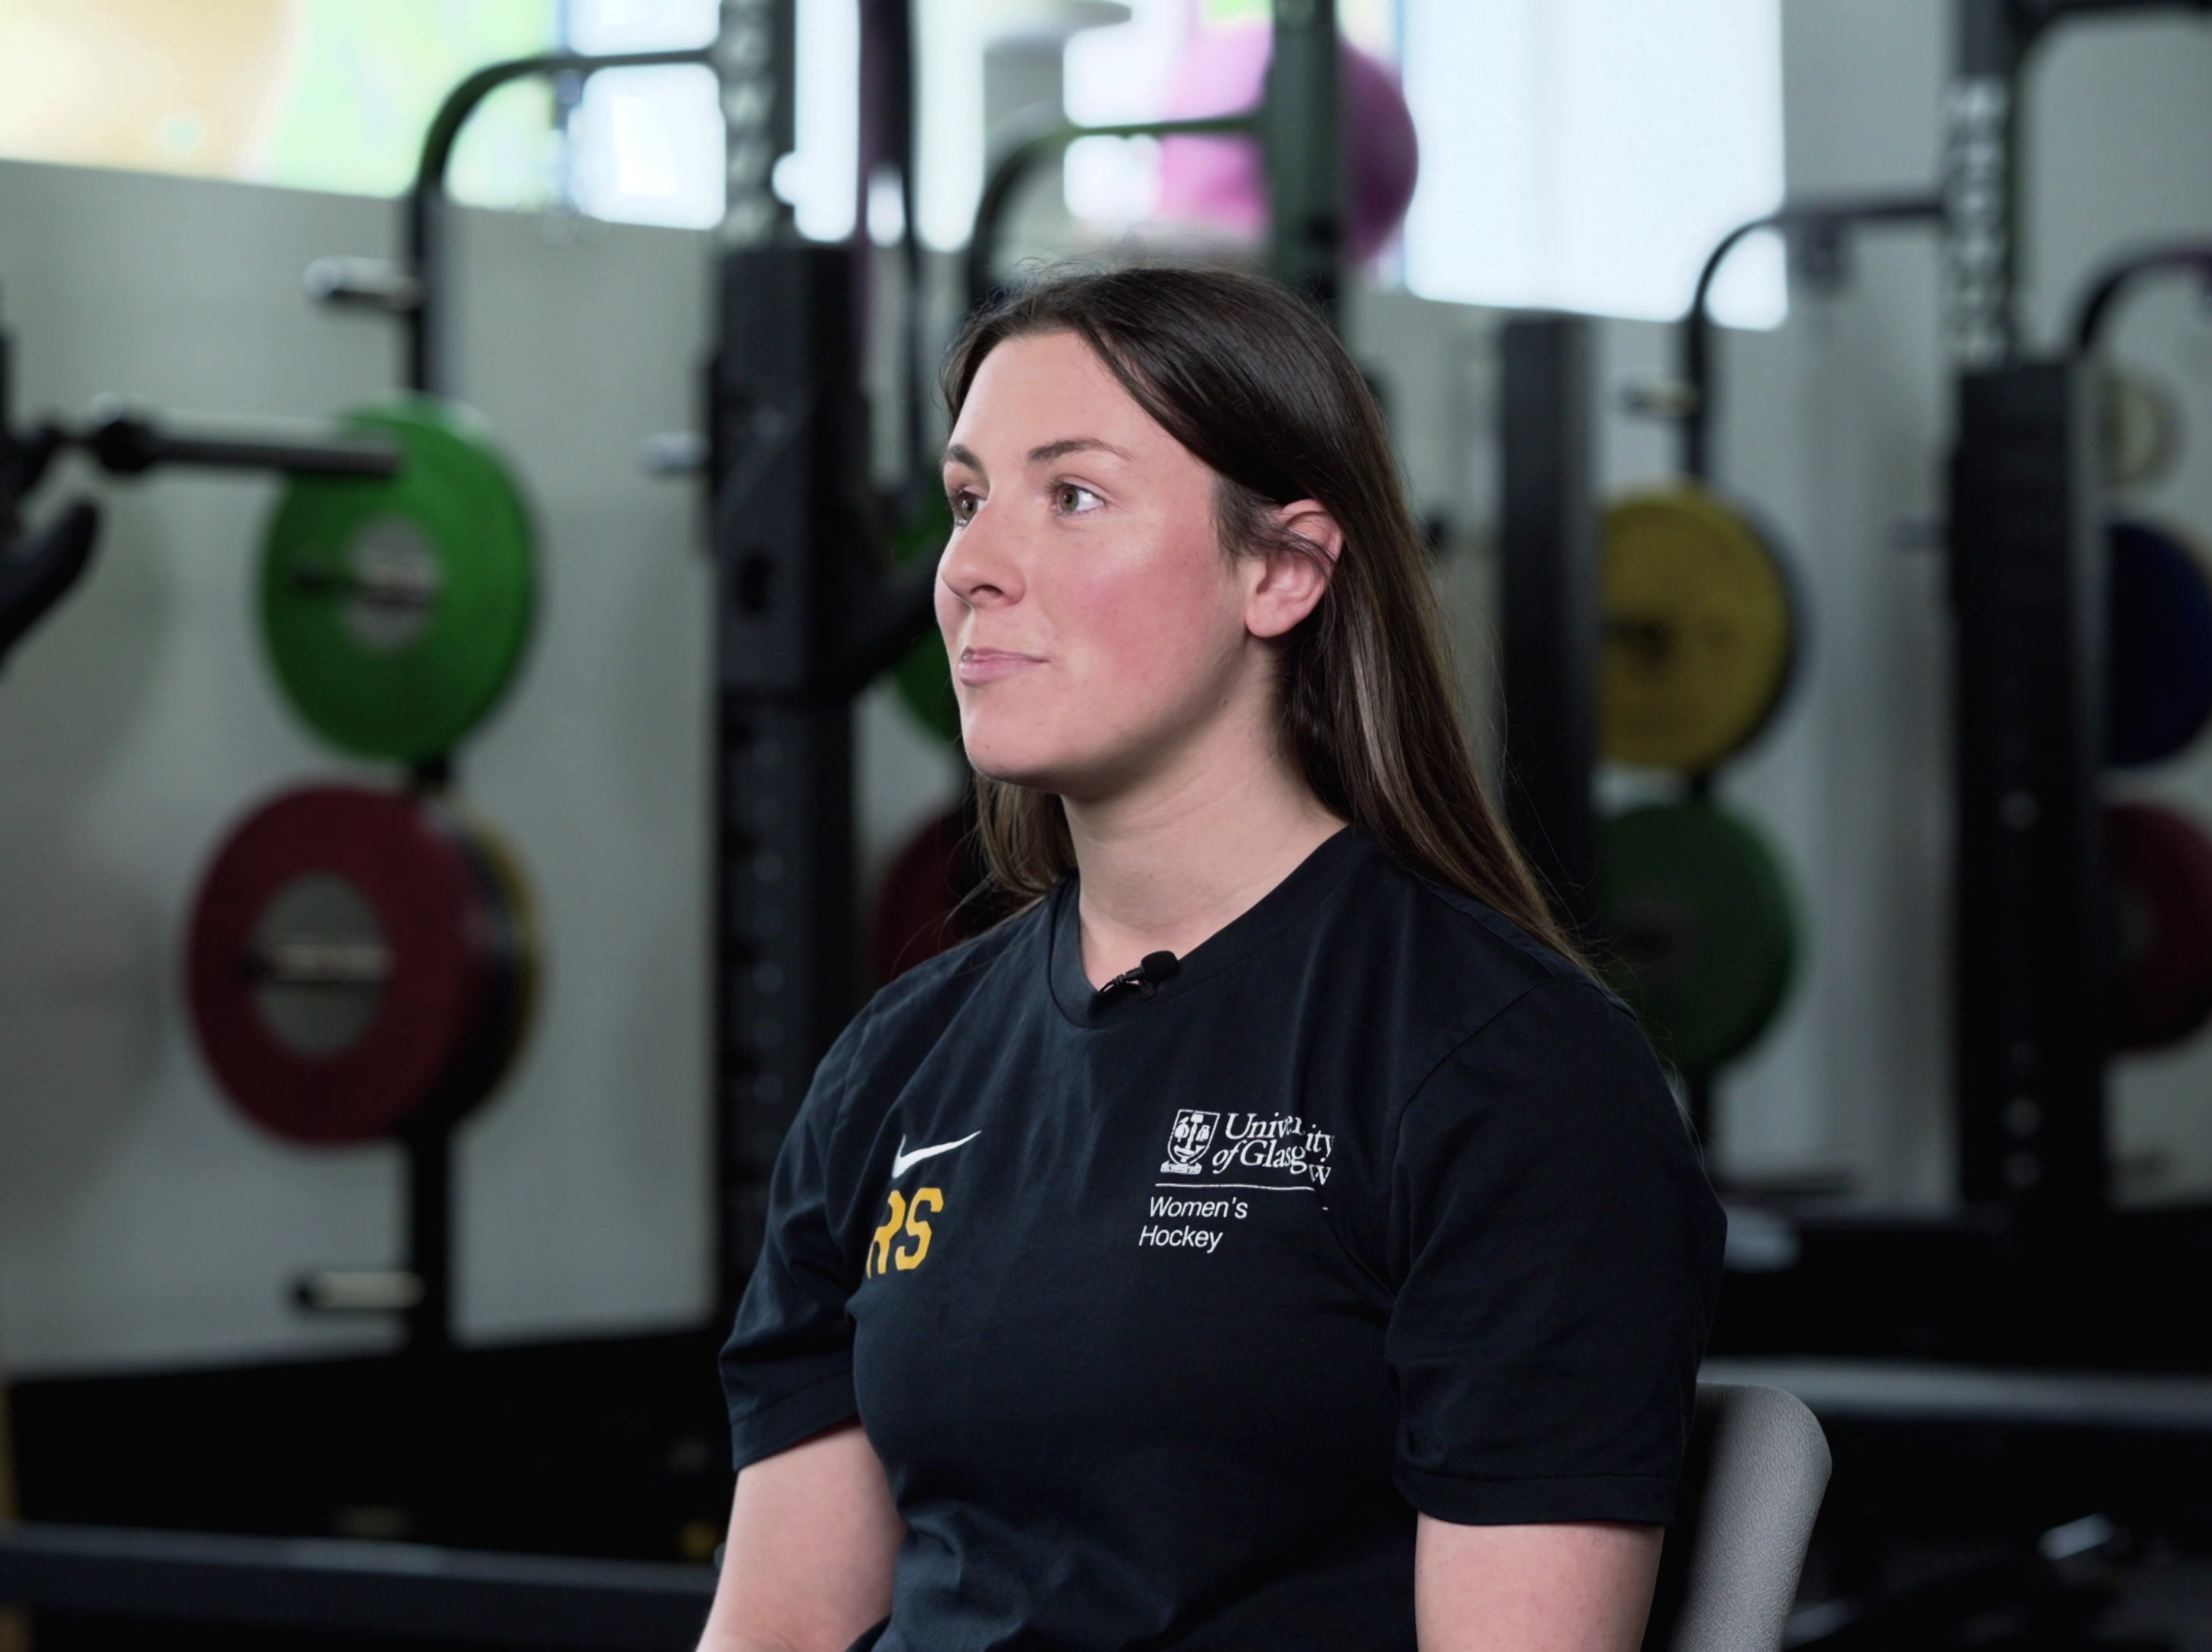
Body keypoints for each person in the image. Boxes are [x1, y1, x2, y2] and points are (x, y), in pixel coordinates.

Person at [703, 265, 1722, 1652]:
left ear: (1282, 570)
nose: (970, 566)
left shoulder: (1511, 1071)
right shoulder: (897, 1068)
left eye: (1073, 496)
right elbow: (779, 1627)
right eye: (967, 499)